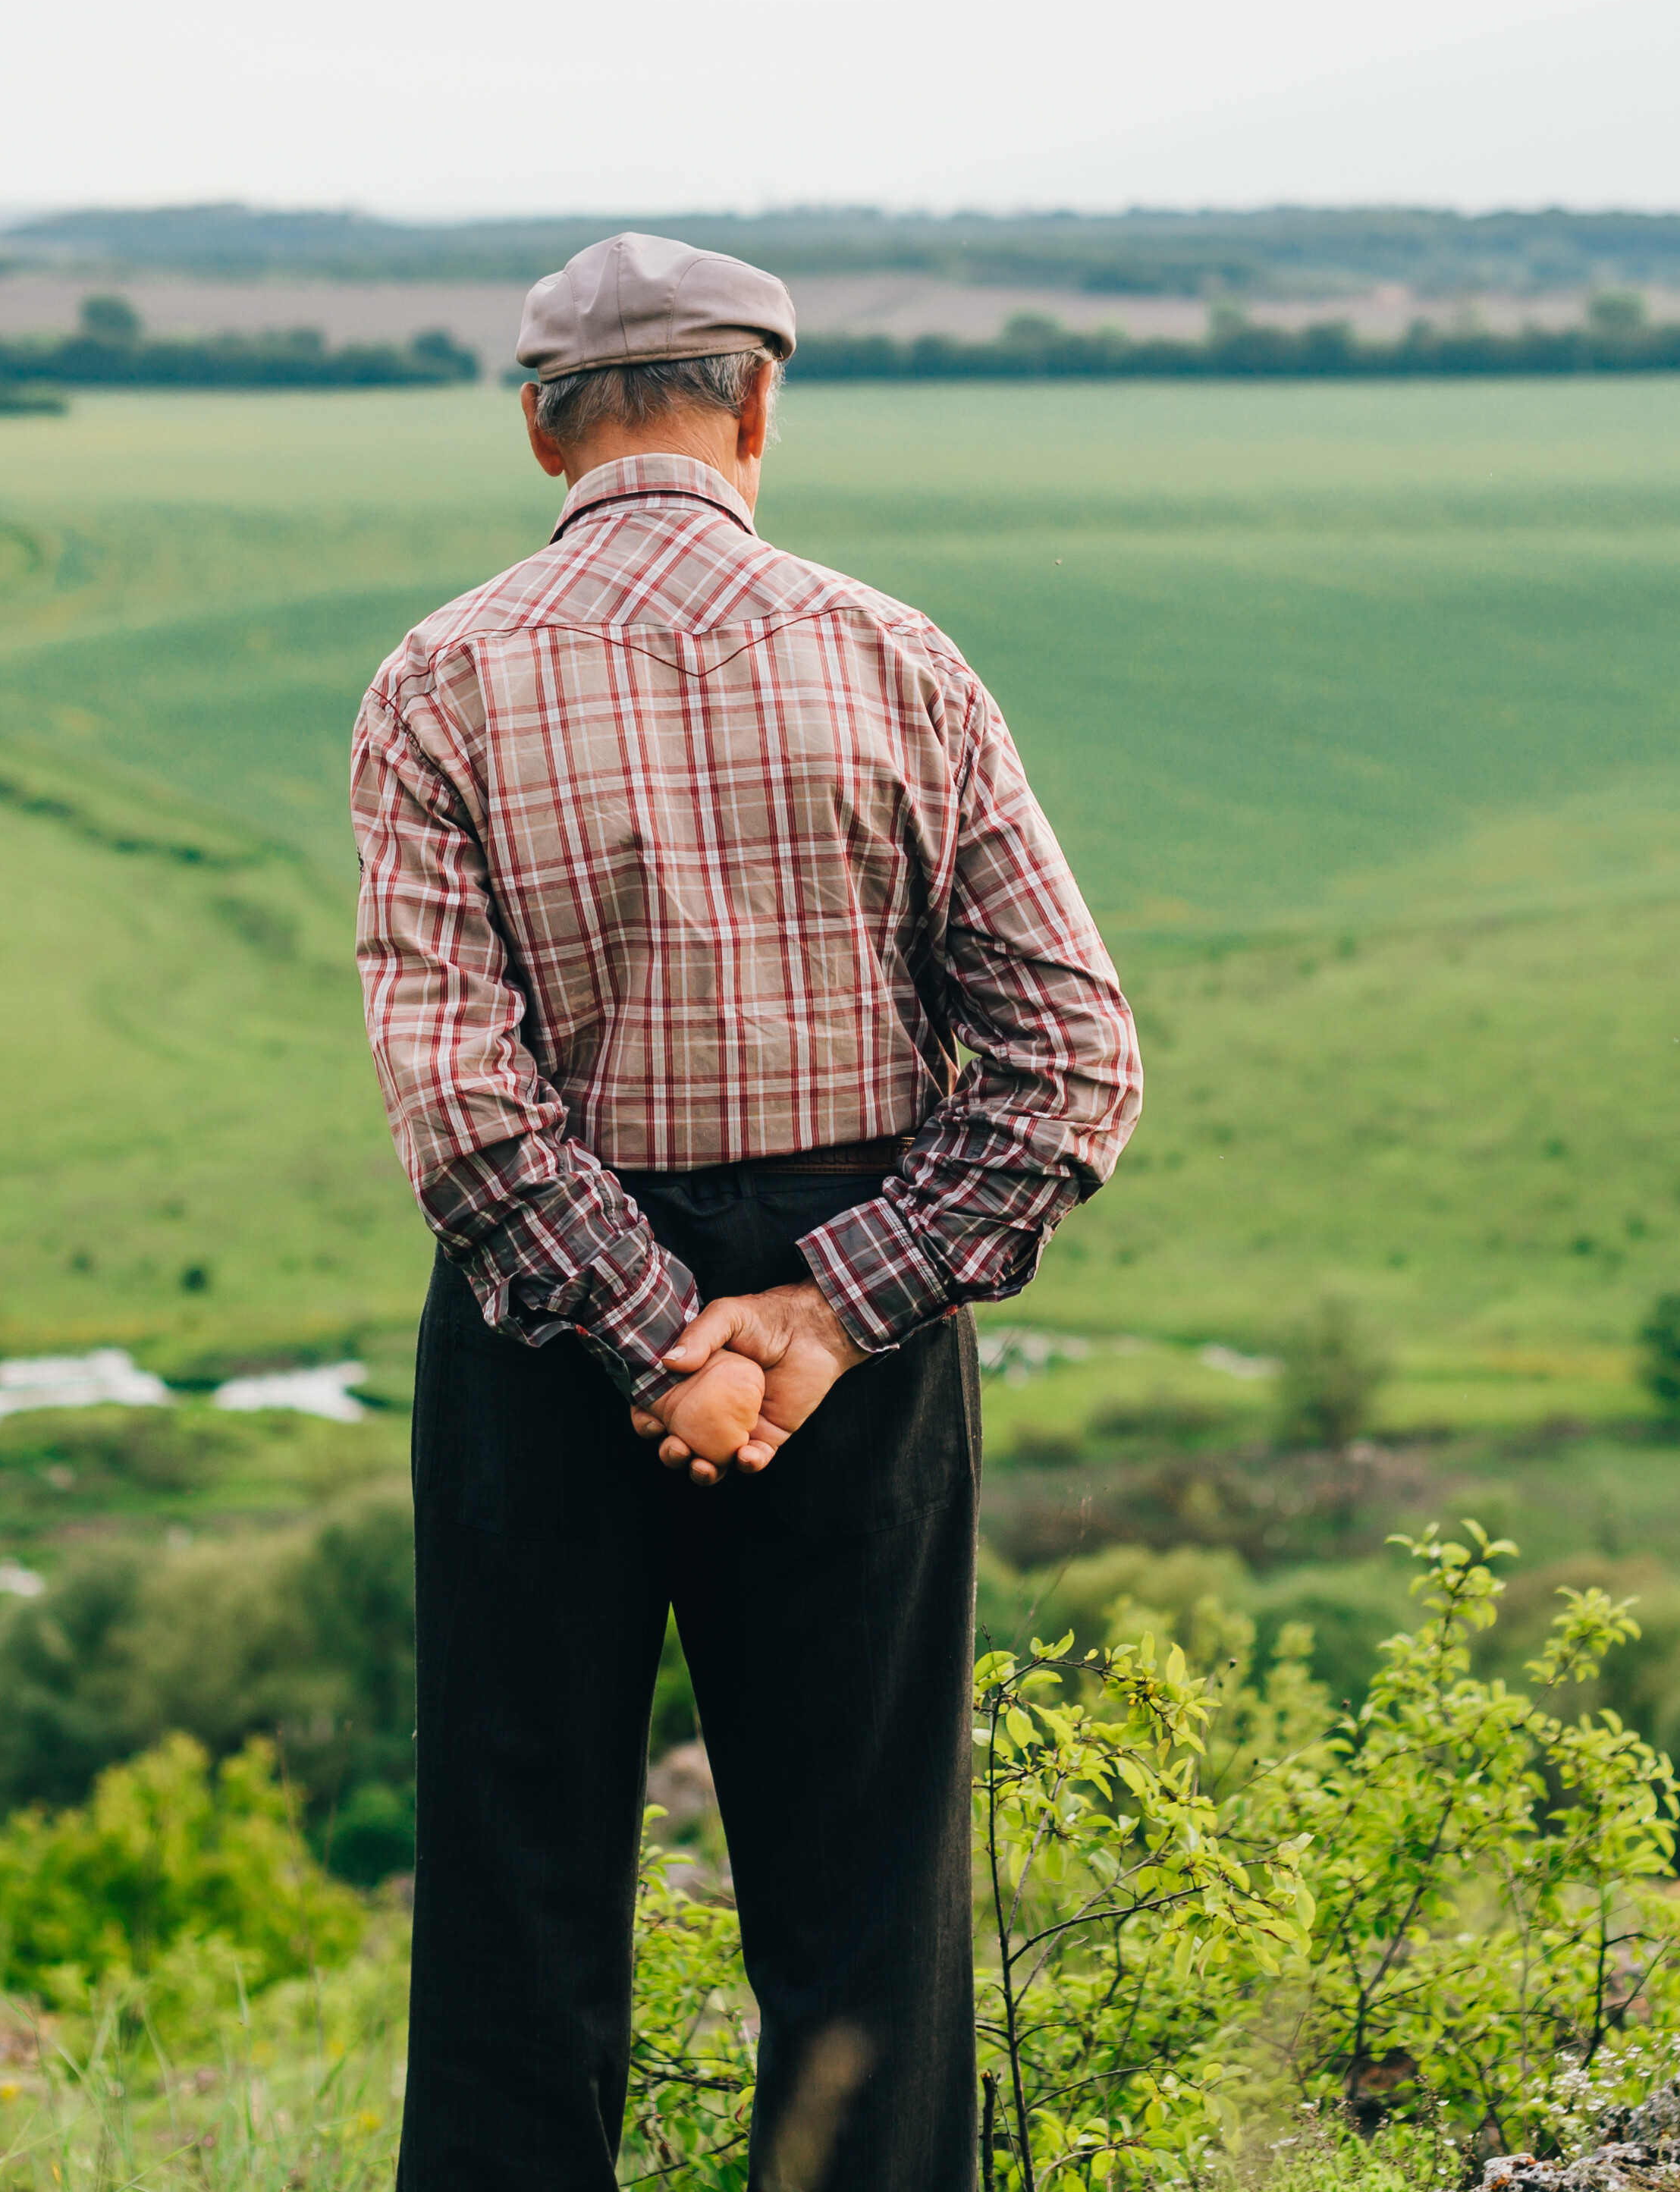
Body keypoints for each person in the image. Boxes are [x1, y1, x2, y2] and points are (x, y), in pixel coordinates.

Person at [353, 231, 1145, 2190]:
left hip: (548, 1335)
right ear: (761, 405)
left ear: (542, 431)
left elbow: (460, 1104)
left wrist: (652, 1339)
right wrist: (816, 1319)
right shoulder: (900, 661)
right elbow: (1071, 1068)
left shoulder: (441, 677)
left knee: (521, 1878)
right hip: (855, 1347)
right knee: (869, 1888)